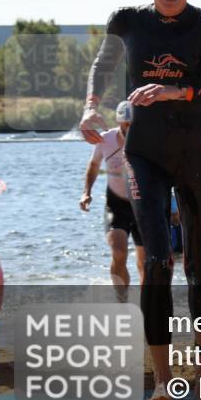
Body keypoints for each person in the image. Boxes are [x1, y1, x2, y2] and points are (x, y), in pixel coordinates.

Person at [79, 0, 201, 400]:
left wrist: (182, 93)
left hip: (197, 151)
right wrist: (91, 108)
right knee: (156, 263)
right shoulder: (127, 21)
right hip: (145, 152)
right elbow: (103, 65)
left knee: (199, 265)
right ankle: (162, 378)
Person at [80, 100, 145, 302]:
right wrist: (86, 192)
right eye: (126, 123)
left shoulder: (147, 141)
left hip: (142, 205)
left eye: (133, 124)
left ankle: (147, 306)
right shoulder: (105, 140)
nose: (129, 128)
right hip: (116, 205)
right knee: (118, 252)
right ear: (119, 121)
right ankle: (122, 302)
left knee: (145, 263)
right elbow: (93, 167)